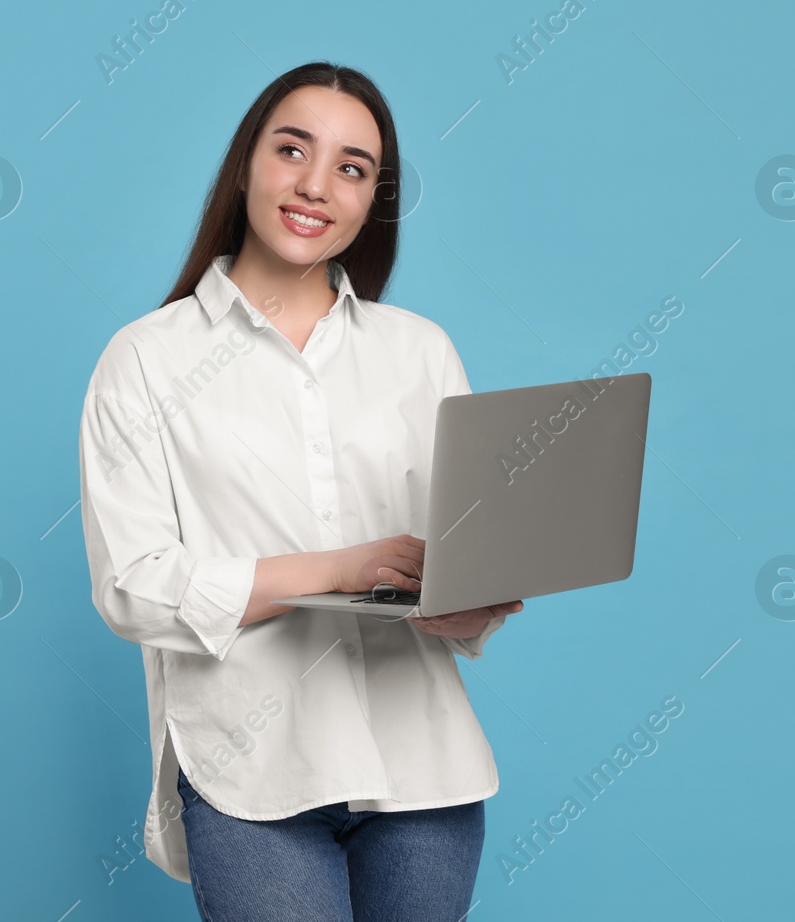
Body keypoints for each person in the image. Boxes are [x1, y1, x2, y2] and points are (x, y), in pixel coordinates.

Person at [78, 61, 523, 921]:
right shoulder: (145, 358)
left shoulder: (419, 350)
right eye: (293, 150)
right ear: (247, 163)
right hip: (252, 774)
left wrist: (475, 606)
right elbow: (132, 585)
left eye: (352, 168)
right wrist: (336, 566)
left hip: (422, 768)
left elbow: (455, 553)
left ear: (372, 201)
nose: (316, 185)